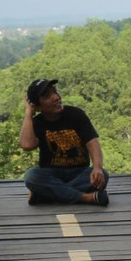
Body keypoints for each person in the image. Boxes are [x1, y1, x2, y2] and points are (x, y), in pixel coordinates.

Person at [20, 78, 109, 206]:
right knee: (31, 176)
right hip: (51, 174)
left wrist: (97, 168)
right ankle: (86, 197)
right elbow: (27, 145)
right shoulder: (37, 122)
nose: (56, 97)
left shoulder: (76, 114)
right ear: (38, 106)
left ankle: (46, 195)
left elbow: (92, 143)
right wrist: (29, 113)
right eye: (47, 96)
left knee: (103, 175)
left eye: (55, 92)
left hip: (80, 172)